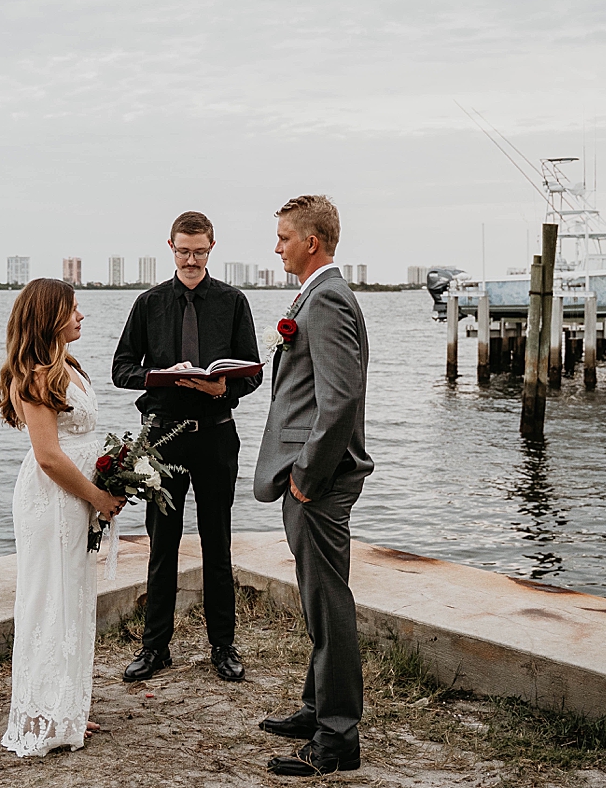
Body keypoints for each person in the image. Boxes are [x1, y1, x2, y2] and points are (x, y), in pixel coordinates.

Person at [112, 211, 262, 683]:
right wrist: (162, 377)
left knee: (218, 543)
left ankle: (223, 647)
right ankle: (155, 648)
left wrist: (224, 391)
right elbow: (121, 370)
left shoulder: (233, 302)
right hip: (162, 439)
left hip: (217, 434)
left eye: (199, 250)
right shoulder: (149, 303)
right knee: (163, 546)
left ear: (212, 246)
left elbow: (254, 372)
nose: (192, 259)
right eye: (183, 251)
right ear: (170, 247)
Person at [253, 195, 372, 777]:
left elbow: (341, 398)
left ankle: (337, 742)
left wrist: (307, 475)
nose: (277, 247)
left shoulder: (325, 301)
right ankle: (315, 707)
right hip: (312, 479)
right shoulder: (319, 294)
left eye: (283, 237)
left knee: (329, 607)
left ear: (312, 243)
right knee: (318, 600)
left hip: (318, 484)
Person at [0, 278, 126, 757]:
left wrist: (114, 476)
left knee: (71, 600)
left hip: (74, 498)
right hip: (52, 499)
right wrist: (97, 495)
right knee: (48, 600)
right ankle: (38, 716)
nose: (81, 316)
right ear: (50, 316)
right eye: (73, 309)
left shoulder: (67, 365)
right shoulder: (33, 373)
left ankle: (63, 708)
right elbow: (49, 456)